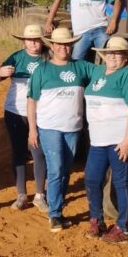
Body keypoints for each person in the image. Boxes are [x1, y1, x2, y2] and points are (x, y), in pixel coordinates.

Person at [27, 27, 95, 232]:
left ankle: (58, 207)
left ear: (71, 45)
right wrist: (32, 129)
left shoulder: (82, 67)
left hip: (73, 127)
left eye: (67, 44)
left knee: (65, 170)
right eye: (59, 44)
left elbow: (106, 74)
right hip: (49, 127)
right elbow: (32, 101)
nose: (63, 47)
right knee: (56, 169)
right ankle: (54, 214)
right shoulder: (42, 70)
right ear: (52, 46)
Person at [83, 37, 128, 242]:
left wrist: (127, 140)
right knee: (92, 179)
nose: (113, 57)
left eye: (118, 54)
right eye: (110, 53)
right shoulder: (98, 72)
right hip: (98, 139)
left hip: (119, 140)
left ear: (126, 58)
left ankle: (123, 227)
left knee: (121, 182)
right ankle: (96, 220)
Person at [0, 23, 49, 213]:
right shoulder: (16, 57)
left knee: (38, 152)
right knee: (18, 152)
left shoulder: (48, 57)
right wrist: (0, 73)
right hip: (15, 110)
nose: (33, 43)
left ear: (42, 40)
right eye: (30, 40)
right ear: (24, 41)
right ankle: (21, 195)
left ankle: (40, 194)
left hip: (41, 112)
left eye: (37, 39)